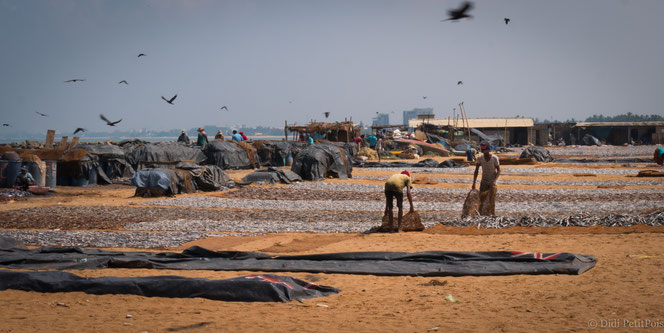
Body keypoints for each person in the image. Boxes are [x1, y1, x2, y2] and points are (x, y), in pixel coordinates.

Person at [472, 141, 500, 215]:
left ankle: (492, 214)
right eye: (483, 152)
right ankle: (481, 213)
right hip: (484, 181)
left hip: (492, 182)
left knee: (491, 200)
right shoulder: (480, 158)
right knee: (482, 199)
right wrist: (474, 183)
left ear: (489, 150)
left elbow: (499, 170)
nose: (485, 153)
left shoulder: (494, 158)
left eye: (486, 151)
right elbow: (476, 170)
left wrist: (494, 181)